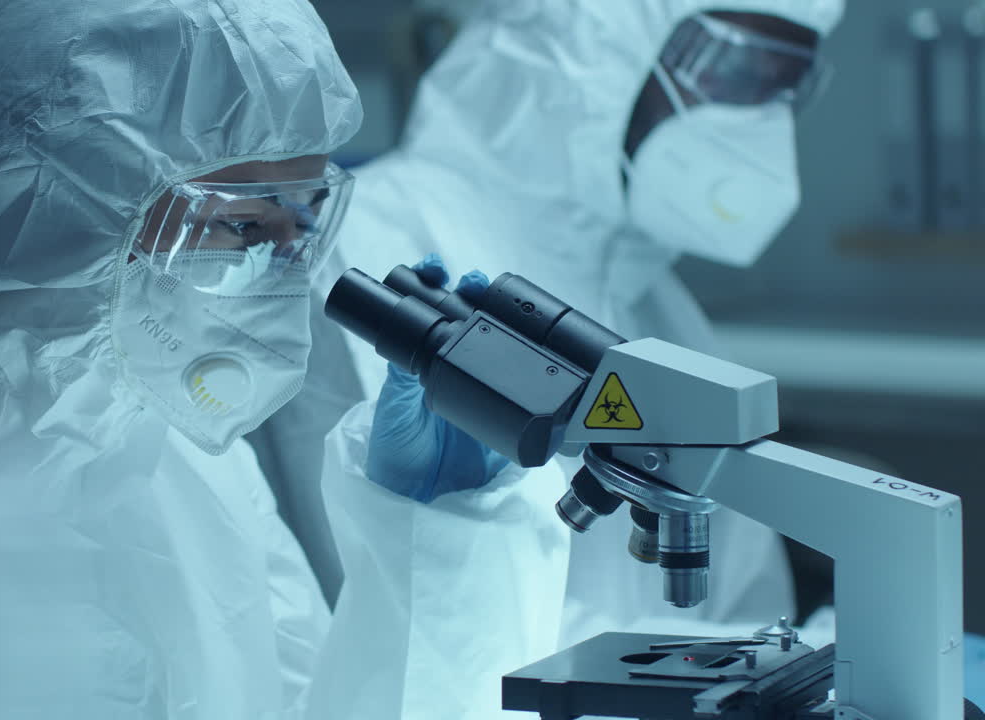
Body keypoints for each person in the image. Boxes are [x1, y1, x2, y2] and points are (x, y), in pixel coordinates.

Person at [0, 1, 566, 718]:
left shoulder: (196, 480)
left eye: (299, 229)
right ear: (51, 205)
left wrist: (438, 539)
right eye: (241, 228)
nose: (278, 281)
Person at [270, 0, 845, 646]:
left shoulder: (662, 305)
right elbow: (393, 619)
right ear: (595, 36)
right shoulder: (366, 252)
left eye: (783, 86)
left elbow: (742, 608)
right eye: (735, 70)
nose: (758, 124)